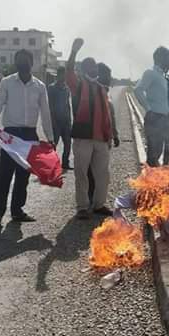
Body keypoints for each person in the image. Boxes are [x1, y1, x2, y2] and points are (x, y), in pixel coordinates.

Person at [0, 49, 54, 228]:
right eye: (19, 60)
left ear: (31, 62)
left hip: (30, 136)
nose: (22, 63)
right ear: (16, 62)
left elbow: (45, 114)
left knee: (23, 176)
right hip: (10, 135)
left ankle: (17, 211)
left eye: (25, 60)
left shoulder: (39, 86)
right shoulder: (7, 83)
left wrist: (50, 138)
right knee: (4, 175)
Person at [66, 38, 113, 220]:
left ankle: (99, 204)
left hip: (101, 139)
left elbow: (106, 115)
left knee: (103, 175)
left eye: (95, 66)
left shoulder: (102, 88)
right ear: (84, 70)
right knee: (82, 174)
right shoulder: (78, 86)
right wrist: (74, 51)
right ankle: (83, 207)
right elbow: (69, 71)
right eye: (90, 66)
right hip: (83, 138)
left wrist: (109, 136)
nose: (94, 69)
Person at [87, 63, 120, 206]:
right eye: (108, 75)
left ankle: (97, 201)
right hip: (92, 138)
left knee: (101, 173)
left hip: (105, 139)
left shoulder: (105, 92)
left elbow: (110, 116)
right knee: (91, 172)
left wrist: (115, 134)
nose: (110, 78)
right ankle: (90, 200)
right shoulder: (90, 91)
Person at [134, 46, 169, 167]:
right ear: (160, 58)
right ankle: (149, 182)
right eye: (168, 57)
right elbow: (138, 90)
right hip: (155, 118)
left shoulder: (162, 76)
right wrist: (149, 109)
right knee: (153, 153)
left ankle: (153, 181)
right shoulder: (150, 73)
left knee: (158, 152)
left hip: (163, 119)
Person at [48, 66, 74, 170]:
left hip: (66, 121)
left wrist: (70, 119)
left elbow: (68, 104)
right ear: (58, 75)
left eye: (65, 75)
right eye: (61, 74)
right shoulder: (51, 88)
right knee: (53, 144)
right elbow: (49, 105)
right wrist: (52, 120)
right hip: (55, 121)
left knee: (68, 144)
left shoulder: (67, 88)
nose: (63, 77)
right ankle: (51, 164)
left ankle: (65, 163)